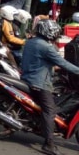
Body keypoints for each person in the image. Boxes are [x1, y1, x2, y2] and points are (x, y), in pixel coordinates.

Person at [21, 19, 79, 155]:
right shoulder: (46, 47)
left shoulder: (31, 41)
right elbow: (63, 62)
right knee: (50, 111)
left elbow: (40, 61)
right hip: (39, 83)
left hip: (28, 77)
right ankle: (48, 144)